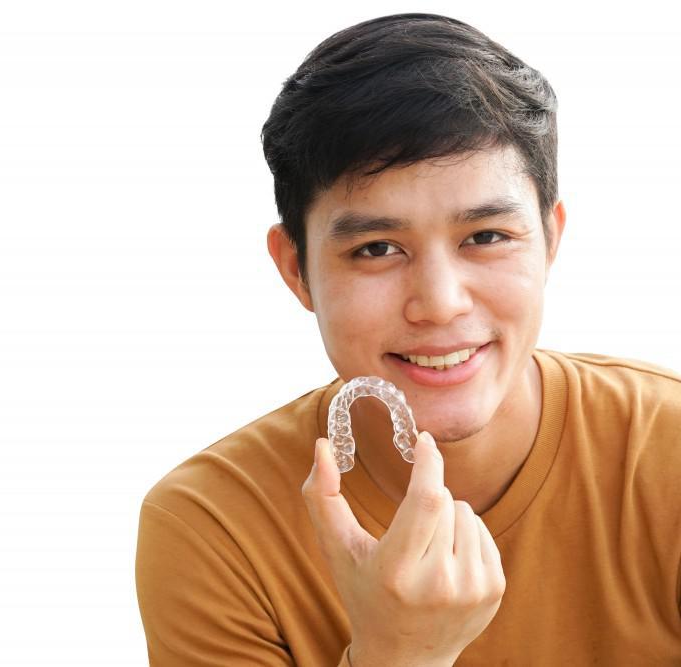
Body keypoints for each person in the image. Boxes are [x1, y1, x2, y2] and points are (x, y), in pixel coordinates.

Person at [134, 13, 681, 666]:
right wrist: (396, 654)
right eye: (376, 248)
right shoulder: (212, 528)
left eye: (485, 236)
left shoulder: (668, 457)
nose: (440, 302)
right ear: (296, 269)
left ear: (550, 240)